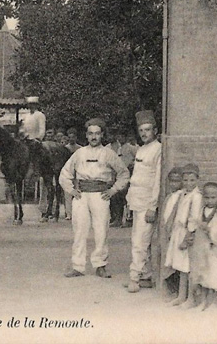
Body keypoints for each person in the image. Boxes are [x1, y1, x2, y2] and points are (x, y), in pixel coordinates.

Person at [59, 118, 130, 279]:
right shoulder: (79, 153)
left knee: (101, 231)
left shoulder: (108, 153)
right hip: (81, 196)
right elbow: (65, 174)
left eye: (97, 133)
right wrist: (71, 190)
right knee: (79, 231)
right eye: (90, 133)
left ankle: (100, 265)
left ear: (102, 135)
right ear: (86, 135)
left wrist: (113, 190)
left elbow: (124, 173)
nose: (94, 137)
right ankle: (78, 266)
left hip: (100, 195)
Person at [125, 110, 162, 293]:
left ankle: (134, 278)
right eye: (141, 130)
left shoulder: (158, 150)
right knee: (138, 240)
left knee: (140, 242)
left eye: (147, 130)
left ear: (155, 130)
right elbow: (137, 178)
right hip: (136, 201)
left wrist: (152, 207)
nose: (144, 133)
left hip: (147, 203)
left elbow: (157, 181)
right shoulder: (141, 149)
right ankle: (146, 276)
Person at [164, 163, 202, 308]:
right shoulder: (182, 194)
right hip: (178, 231)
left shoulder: (196, 197)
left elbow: (194, 219)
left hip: (188, 233)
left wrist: (188, 237)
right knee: (180, 266)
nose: (188, 183)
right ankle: (181, 296)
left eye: (192, 180)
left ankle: (191, 298)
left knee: (188, 266)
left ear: (197, 180)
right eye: (185, 180)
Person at [190, 182, 217, 311]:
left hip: (216, 250)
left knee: (214, 275)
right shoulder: (201, 211)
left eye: (213, 197)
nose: (210, 200)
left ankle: (213, 302)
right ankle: (203, 302)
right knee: (203, 275)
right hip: (203, 249)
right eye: (207, 197)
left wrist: (210, 231)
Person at [160, 167, 184, 298]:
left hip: (175, 233)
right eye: (171, 181)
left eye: (177, 181)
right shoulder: (169, 197)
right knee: (167, 260)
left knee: (176, 262)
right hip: (167, 233)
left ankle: (178, 290)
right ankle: (171, 289)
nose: (174, 184)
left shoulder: (182, 197)